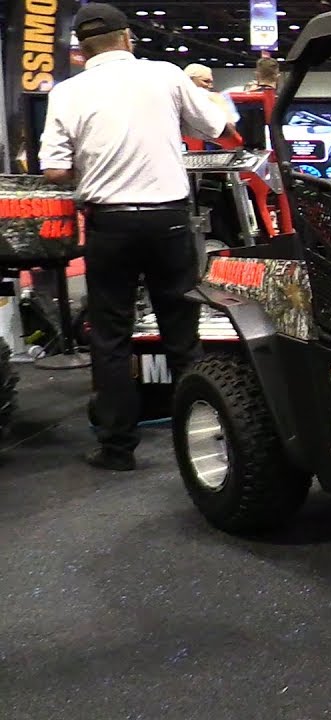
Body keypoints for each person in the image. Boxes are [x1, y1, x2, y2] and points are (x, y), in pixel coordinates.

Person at [39, 3, 238, 471]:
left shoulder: (67, 92)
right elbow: (213, 128)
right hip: (168, 221)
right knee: (182, 334)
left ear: (82, 49)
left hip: (109, 224)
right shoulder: (166, 75)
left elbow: (53, 171)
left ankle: (116, 449)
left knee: (111, 337)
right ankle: (201, 438)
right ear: (127, 38)